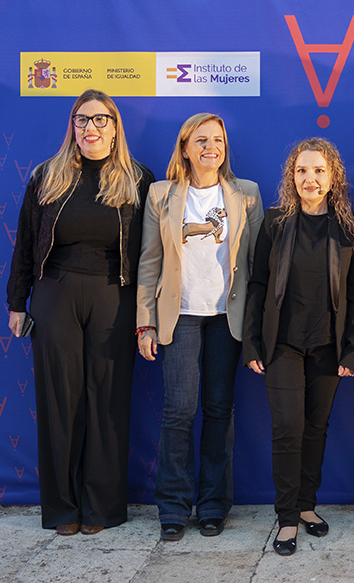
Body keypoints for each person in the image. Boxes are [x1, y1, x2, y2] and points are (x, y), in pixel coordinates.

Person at [6, 89, 154, 535]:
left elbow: (152, 252)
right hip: (56, 293)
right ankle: (63, 510)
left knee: (108, 400)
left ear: (115, 127)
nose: (91, 128)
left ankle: (102, 509)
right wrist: (17, 302)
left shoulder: (137, 179)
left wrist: (148, 311)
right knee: (60, 401)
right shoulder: (46, 176)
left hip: (115, 295)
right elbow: (25, 242)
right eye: (82, 119)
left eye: (100, 119)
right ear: (72, 126)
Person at [136, 113, 263, 541]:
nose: (212, 147)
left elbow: (256, 264)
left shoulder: (246, 194)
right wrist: (145, 323)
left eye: (218, 140)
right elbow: (149, 261)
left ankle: (212, 505)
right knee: (179, 411)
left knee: (219, 410)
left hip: (227, 318)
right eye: (202, 140)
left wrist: (257, 326)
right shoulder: (161, 194)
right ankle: (173, 507)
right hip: (180, 315)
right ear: (185, 148)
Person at [243, 138, 354, 556]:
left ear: (333, 178)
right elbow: (258, 283)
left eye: (318, 171)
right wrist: (252, 343)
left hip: (329, 346)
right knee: (287, 429)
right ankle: (286, 518)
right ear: (291, 177)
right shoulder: (275, 222)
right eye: (301, 171)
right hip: (281, 344)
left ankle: (306, 505)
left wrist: (352, 350)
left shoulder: (349, 226)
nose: (309, 179)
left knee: (316, 428)